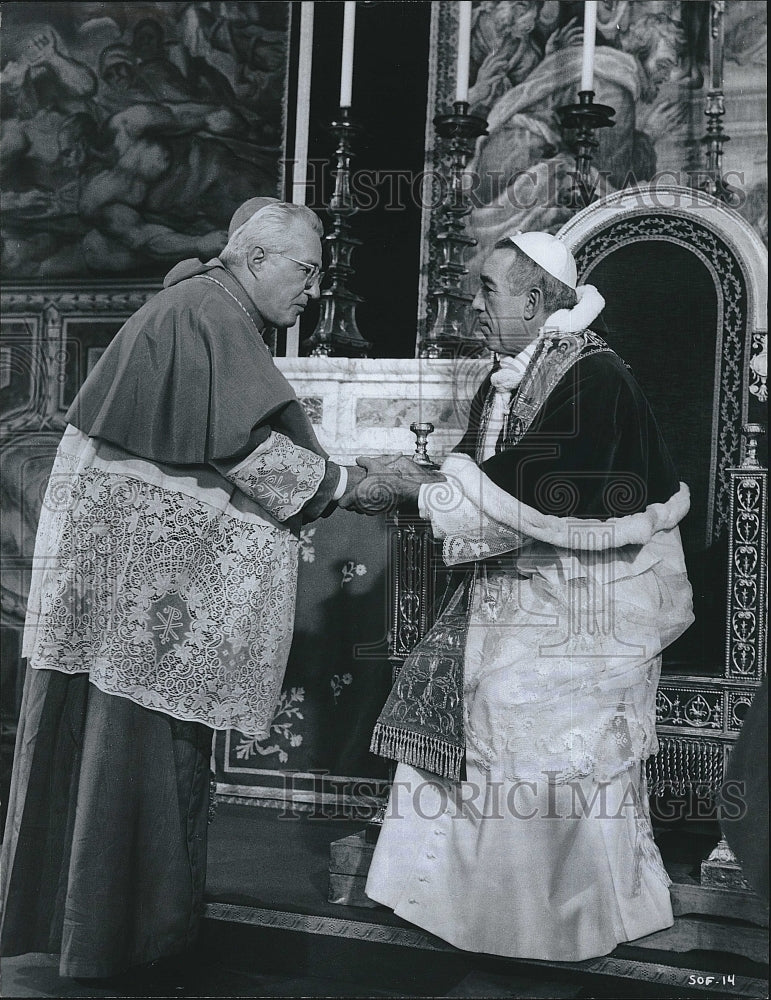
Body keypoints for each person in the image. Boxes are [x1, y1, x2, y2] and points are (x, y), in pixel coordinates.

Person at [0, 197, 366, 982]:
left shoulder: (201, 304)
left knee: (119, 744)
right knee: (138, 749)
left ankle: (101, 932)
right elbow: (249, 453)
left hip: (128, 585)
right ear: (255, 258)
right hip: (140, 598)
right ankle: (125, 940)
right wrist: (349, 483)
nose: (313, 291)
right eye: (305, 271)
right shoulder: (208, 313)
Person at [342, 232, 694, 960]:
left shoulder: (592, 378)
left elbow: (533, 490)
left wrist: (422, 487)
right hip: (522, 587)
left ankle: (546, 923)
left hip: (589, 599)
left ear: (534, 302)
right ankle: (456, 906)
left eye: (487, 293)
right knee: (457, 686)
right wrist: (421, 489)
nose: (475, 307)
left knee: (510, 703)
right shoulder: (511, 374)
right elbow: (495, 480)